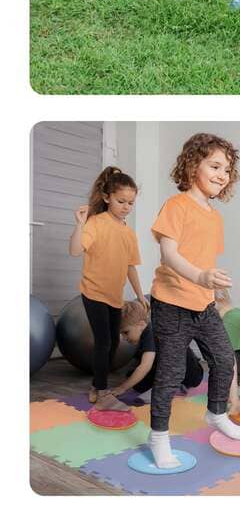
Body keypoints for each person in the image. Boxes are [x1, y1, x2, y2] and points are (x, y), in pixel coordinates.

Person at [147, 134, 240, 469]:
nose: (222, 174)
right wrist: (200, 276)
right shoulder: (176, 206)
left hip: (203, 305)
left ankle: (217, 413)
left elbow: (205, 258)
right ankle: (158, 436)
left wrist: (212, 283)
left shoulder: (215, 216)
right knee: (171, 373)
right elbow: (169, 253)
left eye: (227, 169)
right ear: (193, 166)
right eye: (215, 166)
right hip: (171, 304)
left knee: (224, 360)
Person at [68, 166, 146, 411]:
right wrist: (80, 224)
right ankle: (102, 394)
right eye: (121, 201)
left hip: (114, 296)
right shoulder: (95, 223)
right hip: (93, 291)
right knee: (103, 342)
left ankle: (96, 386)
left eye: (130, 203)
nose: (126, 207)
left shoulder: (128, 233)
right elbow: (75, 250)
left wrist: (140, 295)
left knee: (113, 343)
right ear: (106, 198)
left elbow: (131, 266)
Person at [113, 299, 205, 400]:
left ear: (141, 324)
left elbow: (145, 366)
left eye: (126, 332)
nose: (124, 337)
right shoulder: (150, 330)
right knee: (137, 382)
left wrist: (122, 388)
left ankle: (175, 387)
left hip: (190, 375)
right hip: (185, 370)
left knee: (139, 381)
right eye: (121, 334)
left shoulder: (150, 334)